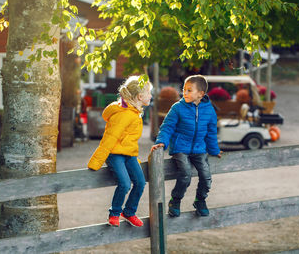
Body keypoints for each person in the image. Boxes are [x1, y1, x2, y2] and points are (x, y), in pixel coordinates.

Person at [151, 75, 221, 217]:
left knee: (206, 176)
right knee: (185, 174)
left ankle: (200, 200)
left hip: (199, 149)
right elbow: (167, 127)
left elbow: (211, 132)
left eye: (189, 90)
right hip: (181, 148)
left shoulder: (209, 110)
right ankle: (175, 201)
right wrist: (161, 142)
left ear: (201, 94)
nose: (185, 93)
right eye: (184, 89)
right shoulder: (177, 108)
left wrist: (214, 150)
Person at [87, 75, 152, 227]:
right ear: (140, 96)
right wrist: (96, 161)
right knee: (124, 184)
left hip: (129, 155)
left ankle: (129, 212)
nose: (151, 96)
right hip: (115, 155)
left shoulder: (135, 112)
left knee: (141, 182)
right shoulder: (123, 114)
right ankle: (115, 213)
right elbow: (109, 138)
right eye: (149, 93)